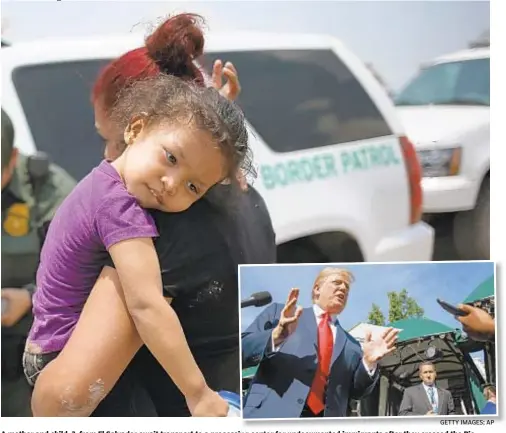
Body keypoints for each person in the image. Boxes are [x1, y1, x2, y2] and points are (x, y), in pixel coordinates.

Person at [26, 13, 276, 417]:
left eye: (107, 140)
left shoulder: (155, 225)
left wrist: (196, 393)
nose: (107, 160)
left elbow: (64, 399)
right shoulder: (250, 201)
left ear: (135, 125)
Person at [241, 267, 398, 418]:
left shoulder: (353, 345)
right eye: (337, 283)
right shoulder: (280, 314)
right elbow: (241, 350)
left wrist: (369, 364)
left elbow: (357, 392)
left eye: (347, 288)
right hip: (270, 414)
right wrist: (275, 336)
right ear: (317, 289)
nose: (343, 288)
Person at [1, 108, 76, 417]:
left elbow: (84, 276)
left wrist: (31, 297)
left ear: (13, 159)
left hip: (24, 372)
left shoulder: (50, 194)